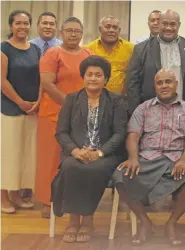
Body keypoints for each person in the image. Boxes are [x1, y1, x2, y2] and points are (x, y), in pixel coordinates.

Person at [113, 69, 185, 246]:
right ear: (155, 86)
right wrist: (133, 158)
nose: (164, 86)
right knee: (119, 176)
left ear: (176, 84)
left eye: (168, 82)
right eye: (160, 83)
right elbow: (133, 135)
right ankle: (145, 222)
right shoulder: (143, 108)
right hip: (147, 158)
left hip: (176, 159)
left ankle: (171, 223)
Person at [51, 56, 128, 243]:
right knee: (71, 167)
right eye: (89, 74)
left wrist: (99, 153)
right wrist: (76, 151)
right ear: (83, 77)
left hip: (106, 155)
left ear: (106, 79)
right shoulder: (71, 99)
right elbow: (61, 132)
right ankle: (73, 220)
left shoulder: (116, 101)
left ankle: (87, 219)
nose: (93, 79)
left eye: (98, 75)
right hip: (76, 152)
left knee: (94, 168)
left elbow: (120, 133)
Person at [35, 17, 93, 218]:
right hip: (53, 114)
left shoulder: (88, 54)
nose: (73, 34)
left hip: (81, 116)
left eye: (77, 31)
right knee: (50, 159)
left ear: (82, 33)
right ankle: (47, 201)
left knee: (73, 159)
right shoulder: (53, 54)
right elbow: (47, 83)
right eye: (69, 30)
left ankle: (70, 200)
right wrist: (70, 105)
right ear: (61, 32)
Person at [1, 10, 41, 214]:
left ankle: (16, 194)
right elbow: (2, 81)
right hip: (9, 109)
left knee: (25, 154)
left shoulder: (35, 49)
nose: (22, 27)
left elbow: (41, 78)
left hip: (32, 110)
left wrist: (37, 101)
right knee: (8, 154)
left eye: (26, 23)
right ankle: (3, 196)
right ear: (11, 26)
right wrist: (20, 102)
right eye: (18, 23)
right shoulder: (3, 48)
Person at [126, 9, 185, 114]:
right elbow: (132, 82)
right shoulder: (141, 49)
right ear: (159, 24)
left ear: (179, 25)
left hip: (183, 112)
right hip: (150, 112)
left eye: (173, 24)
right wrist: (136, 110)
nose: (168, 28)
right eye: (164, 24)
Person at [85, 15, 134, 95]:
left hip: (122, 100)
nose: (111, 30)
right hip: (94, 98)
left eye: (115, 27)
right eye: (107, 27)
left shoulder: (131, 49)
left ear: (119, 30)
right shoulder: (88, 49)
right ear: (100, 29)